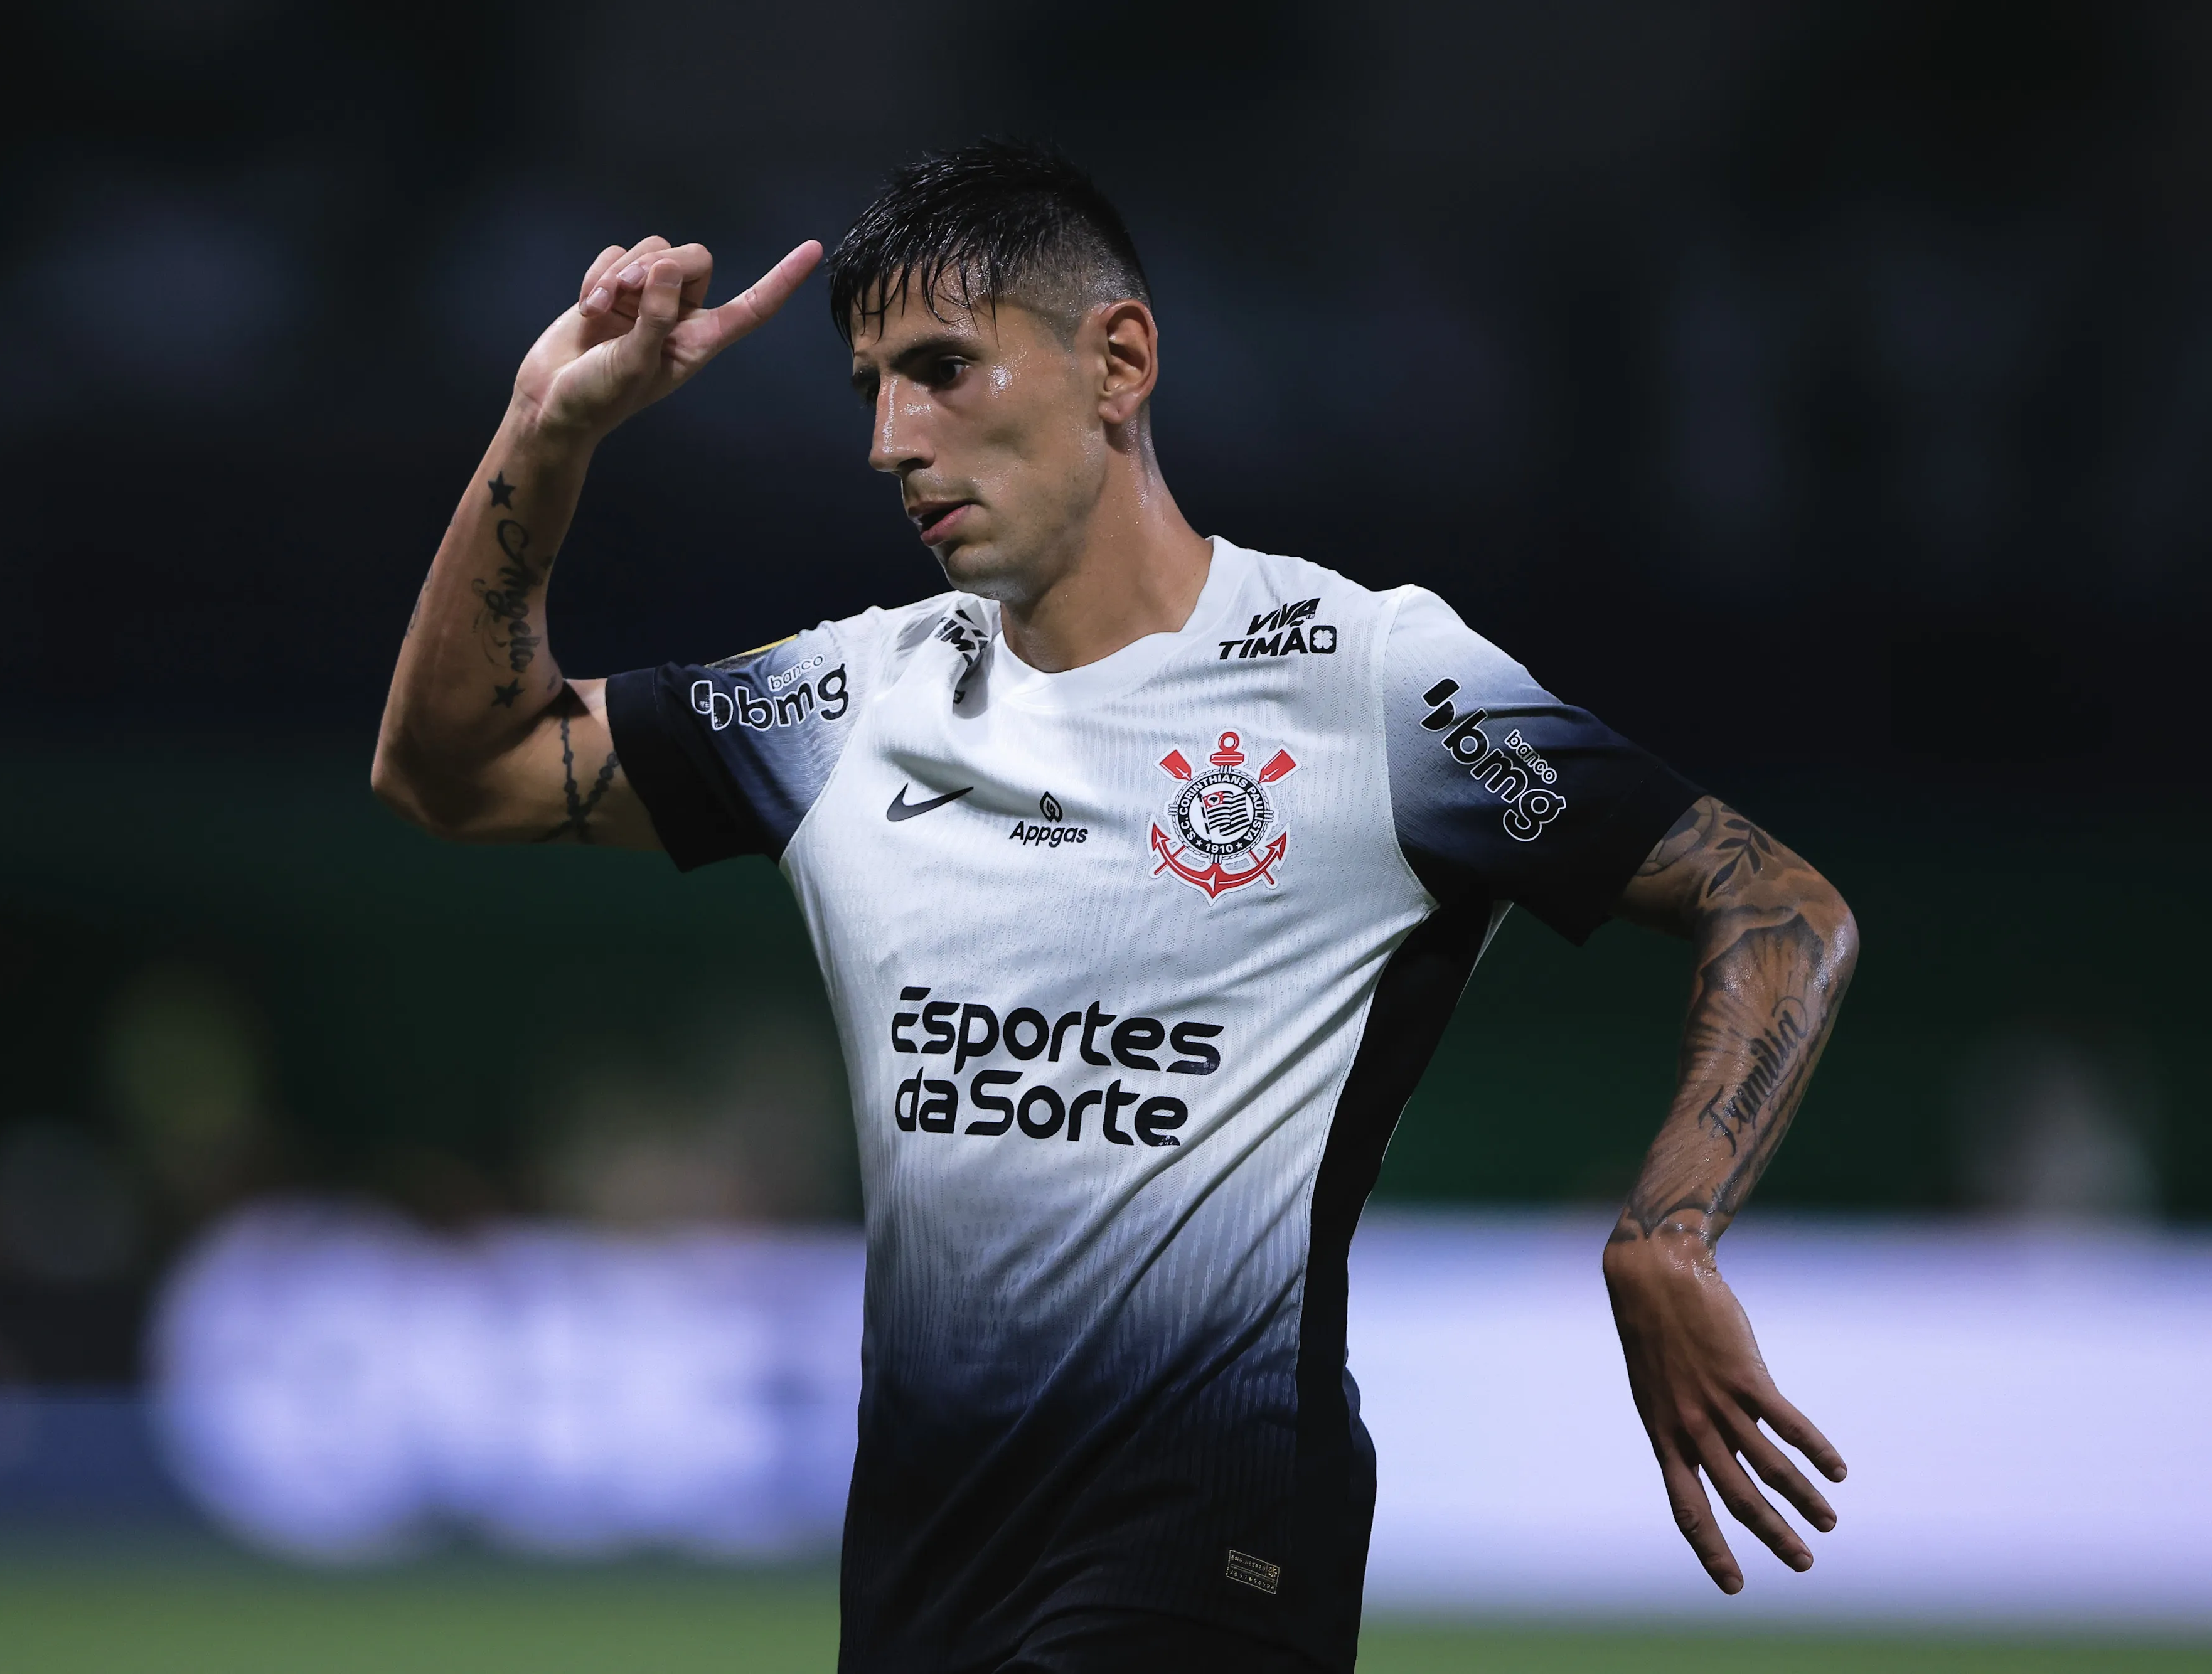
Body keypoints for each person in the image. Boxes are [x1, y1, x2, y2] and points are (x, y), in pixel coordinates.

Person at [372, 141, 1859, 1674]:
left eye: (943, 368)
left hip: (1212, 1549)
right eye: (870, 386)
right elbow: (456, 766)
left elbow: (1774, 902)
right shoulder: (854, 697)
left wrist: (1665, 1233)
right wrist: (547, 430)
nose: (891, 438)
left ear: (1118, 360)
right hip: (921, 1576)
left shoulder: (1371, 681)